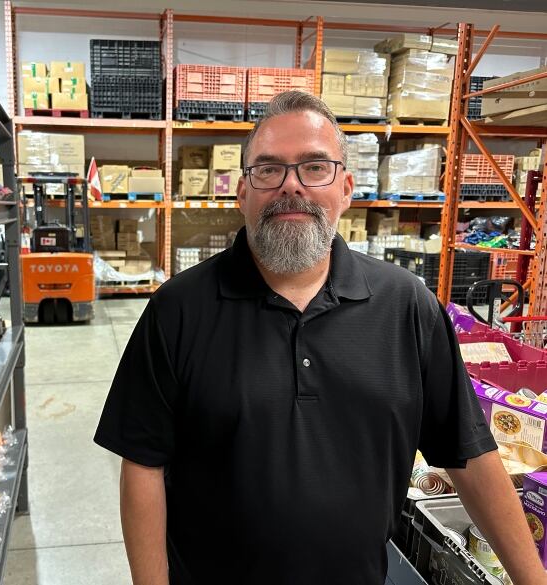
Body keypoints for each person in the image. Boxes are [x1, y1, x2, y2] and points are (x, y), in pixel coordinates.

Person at [94, 90, 545, 584]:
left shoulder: (406, 306)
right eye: (268, 169)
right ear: (242, 192)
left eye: (314, 167)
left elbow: (470, 453)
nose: (291, 186)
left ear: (346, 188)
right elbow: (143, 466)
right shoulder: (177, 310)